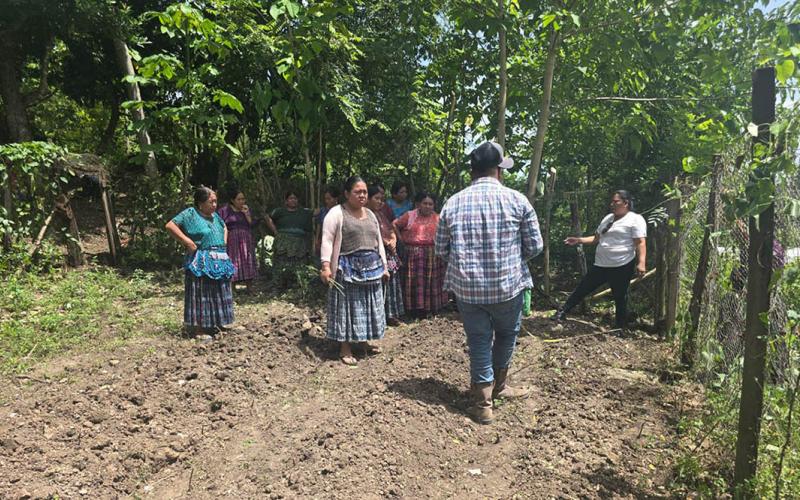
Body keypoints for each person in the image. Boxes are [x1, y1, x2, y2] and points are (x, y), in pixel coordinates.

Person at [435, 141, 543, 425]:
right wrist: (510, 261)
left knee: (479, 340)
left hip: (468, 289)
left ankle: (483, 404)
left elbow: (441, 249)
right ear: (498, 170)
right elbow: (535, 246)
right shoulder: (517, 200)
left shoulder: (453, 203)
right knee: (506, 335)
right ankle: (499, 387)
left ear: (472, 170)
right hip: (507, 287)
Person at [552, 190, 647, 330]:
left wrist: (641, 263)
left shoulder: (635, 219)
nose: (612, 204)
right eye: (612, 202)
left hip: (622, 264)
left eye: (616, 201)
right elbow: (596, 238)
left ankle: (620, 327)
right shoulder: (608, 218)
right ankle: (562, 311)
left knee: (620, 296)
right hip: (601, 264)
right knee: (583, 288)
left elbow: (640, 242)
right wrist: (578, 240)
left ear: (626, 203)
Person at [320, 176, 389, 366]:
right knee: (346, 309)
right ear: (346, 193)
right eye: (357, 192)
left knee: (367, 306)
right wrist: (326, 266)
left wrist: (384, 266)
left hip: (371, 268)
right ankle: (345, 348)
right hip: (347, 269)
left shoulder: (371, 214)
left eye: (364, 192)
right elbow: (327, 240)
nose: (362, 195)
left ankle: (363, 342)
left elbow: (378, 242)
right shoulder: (336, 213)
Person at [165, 186, 235, 340]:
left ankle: (218, 324)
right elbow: (170, 225)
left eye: (216, 201)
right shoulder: (190, 213)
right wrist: (187, 241)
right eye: (211, 202)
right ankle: (199, 329)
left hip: (219, 258)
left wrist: (223, 242)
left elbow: (224, 227)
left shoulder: (215, 216)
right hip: (201, 259)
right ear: (200, 203)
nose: (214, 205)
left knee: (219, 293)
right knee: (201, 294)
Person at [394, 192, 448, 317]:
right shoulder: (409, 215)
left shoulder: (438, 218)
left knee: (431, 282)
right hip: (413, 255)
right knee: (414, 282)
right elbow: (395, 225)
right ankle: (413, 310)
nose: (427, 206)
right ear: (418, 204)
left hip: (433, 255)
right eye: (425, 203)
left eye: (430, 204)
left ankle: (431, 308)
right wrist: (401, 241)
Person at [367, 184, 404, 326]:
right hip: (376, 255)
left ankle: (392, 314)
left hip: (389, 255)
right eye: (376, 198)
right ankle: (381, 315)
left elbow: (390, 228)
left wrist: (393, 240)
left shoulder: (381, 214)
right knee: (380, 284)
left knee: (392, 283)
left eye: (381, 199)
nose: (379, 202)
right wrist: (386, 242)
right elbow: (374, 235)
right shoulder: (366, 215)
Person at [265, 191, 313, 285]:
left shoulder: (304, 212)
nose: (293, 200)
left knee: (298, 265)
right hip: (283, 242)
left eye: (295, 198)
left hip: (299, 243)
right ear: (286, 201)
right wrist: (275, 231)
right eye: (291, 198)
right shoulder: (279, 211)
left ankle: (295, 285)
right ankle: (279, 285)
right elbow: (267, 217)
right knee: (281, 264)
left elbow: (316, 213)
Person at [217, 186, 259, 292]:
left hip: (246, 240)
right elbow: (219, 224)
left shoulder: (246, 210)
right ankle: (232, 288)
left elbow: (252, 224)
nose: (242, 201)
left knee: (247, 260)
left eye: (243, 199)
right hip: (232, 239)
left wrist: (247, 214)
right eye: (239, 199)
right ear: (232, 200)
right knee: (233, 261)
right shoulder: (225, 210)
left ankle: (249, 287)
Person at [314, 185, 341, 255]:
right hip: (324, 240)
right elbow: (319, 225)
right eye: (326, 199)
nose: (327, 201)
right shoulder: (322, 211)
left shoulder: (341, 211)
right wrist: (317, 240)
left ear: (336, 199)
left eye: (329, 199)